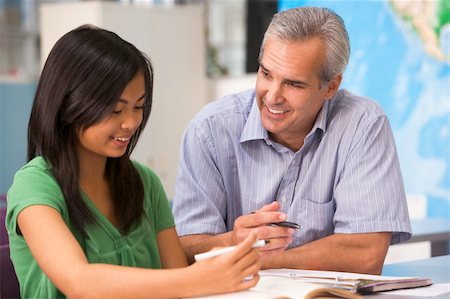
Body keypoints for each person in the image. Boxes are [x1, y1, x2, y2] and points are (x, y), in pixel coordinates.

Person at [6, 25, 261, 299]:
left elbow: (177, 279)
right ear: (69, 105)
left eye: (138, 106)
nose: (130, 123)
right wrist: (198, 278)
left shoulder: (144, 182)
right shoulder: (34, 185)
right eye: (115, 109)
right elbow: (78, 282)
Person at [172, 6, 412, 275]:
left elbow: (365, 254)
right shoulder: (210, 130)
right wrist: (232, 241)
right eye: (266, 74)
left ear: (330, 87)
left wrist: (258, 258)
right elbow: (182, 250)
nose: (272, 96)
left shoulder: (363, 125)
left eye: (293, 84)